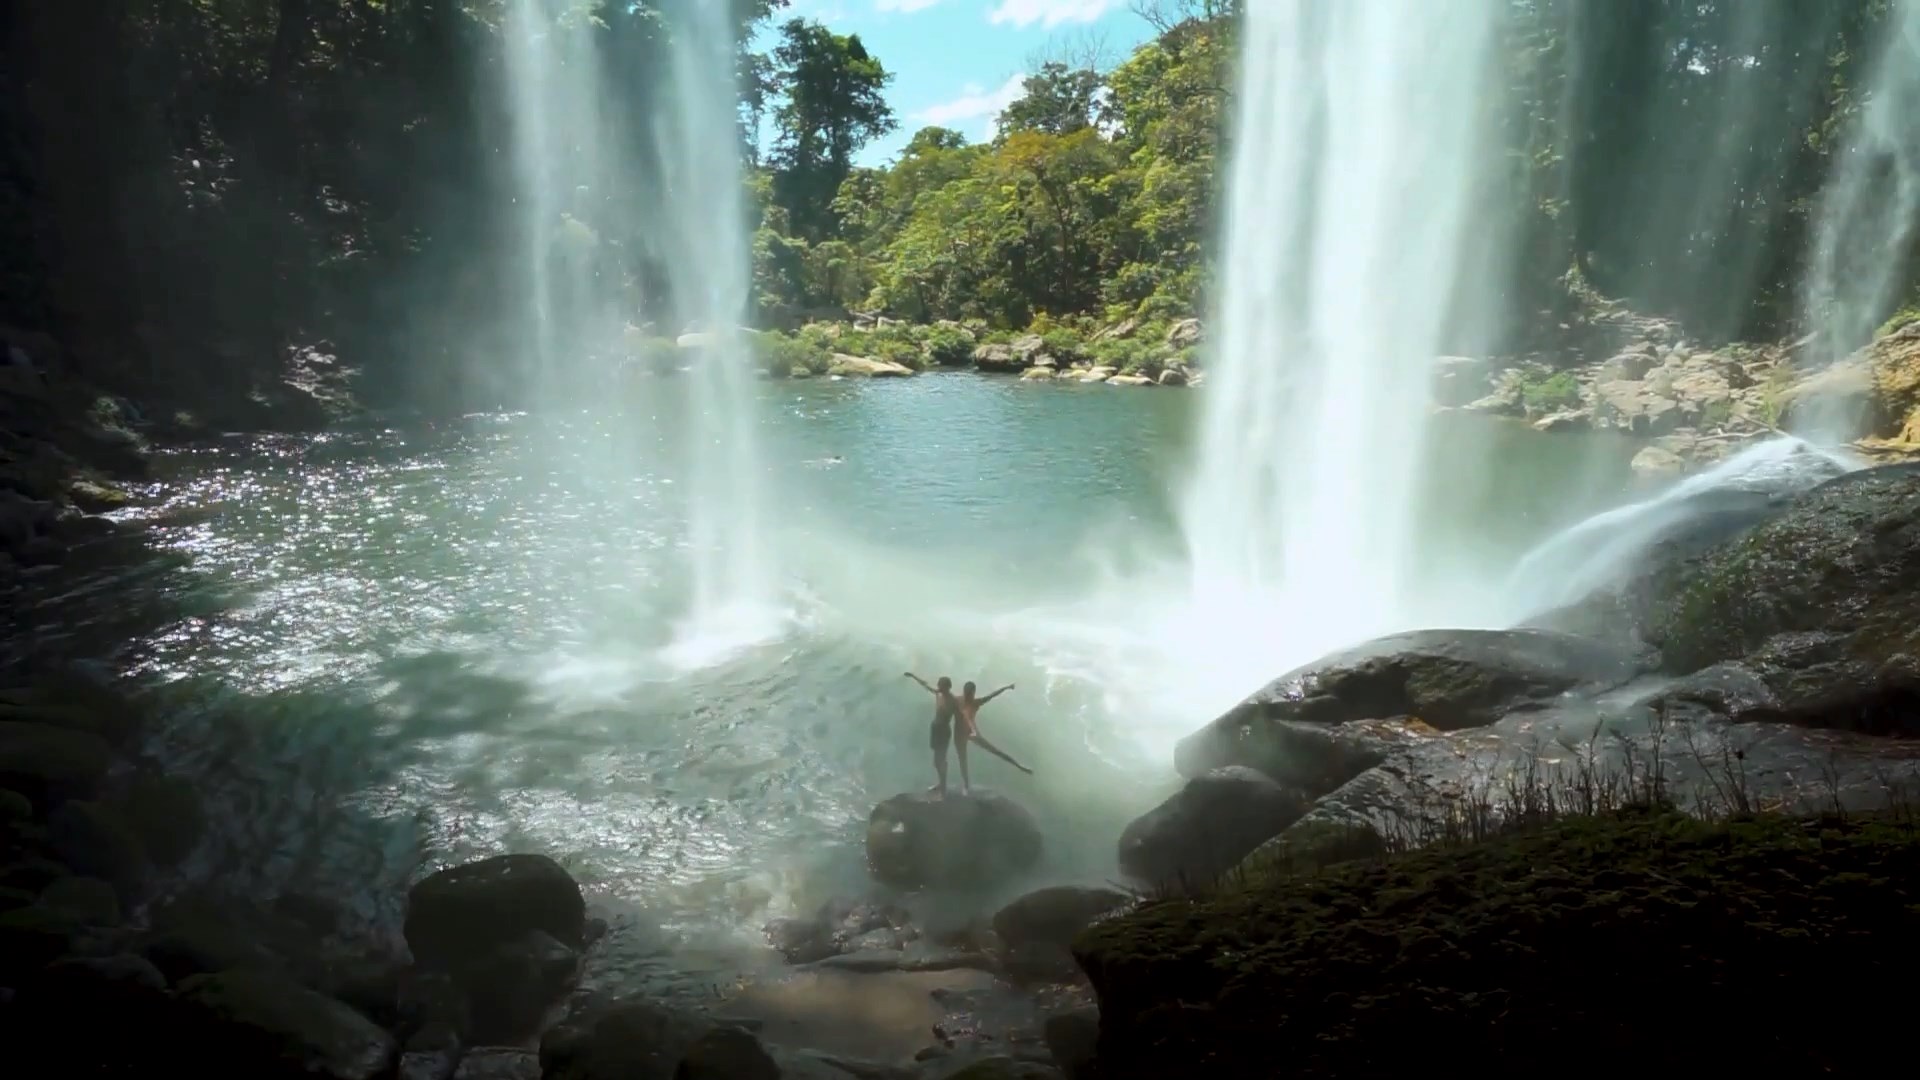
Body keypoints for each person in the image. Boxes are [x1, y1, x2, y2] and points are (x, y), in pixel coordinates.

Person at [952, 680, 1032, 794]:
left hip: (971, 732)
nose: (969, 696)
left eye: (970, 694)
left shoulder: (976, 702)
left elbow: (992, 695)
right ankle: (965, 786)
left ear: (974, 693)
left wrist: (1007, 687)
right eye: (967, 693)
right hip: (959, 733)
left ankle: (1019, 765)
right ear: (964, 692)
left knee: (995, 750)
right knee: (962, 759)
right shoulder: (958, 700)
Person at [904, 672, 960, 795]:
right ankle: (941, 784)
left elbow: (960, 717)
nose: (938, 687)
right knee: (936, 761)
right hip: (935, 728)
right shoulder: (938, 694)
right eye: (938, 685)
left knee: (941, 760)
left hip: (944, 730)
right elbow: (925, 684)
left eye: (941, 685)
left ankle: (943, 788)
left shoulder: (953, 701)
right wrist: (913, 676)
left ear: (947, 687)